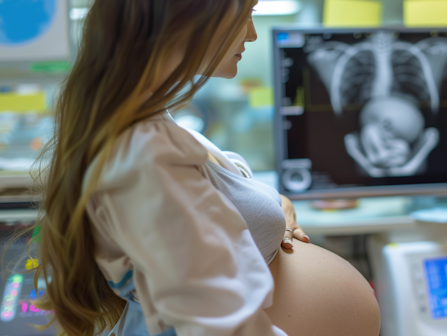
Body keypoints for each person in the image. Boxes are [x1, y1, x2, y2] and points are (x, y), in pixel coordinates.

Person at [24, 1, 380, 335]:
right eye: (247, 12)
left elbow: (216, 175)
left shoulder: (151, 123)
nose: (252, 33)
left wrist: (272, 202)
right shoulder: (143, 156)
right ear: (191, 14)